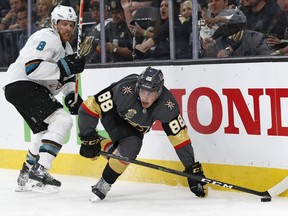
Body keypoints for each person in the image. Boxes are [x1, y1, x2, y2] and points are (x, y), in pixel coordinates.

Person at [77, 66, 208, 201]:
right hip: (113, 114)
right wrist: (87, 137)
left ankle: (104, 180)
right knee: (125, 151)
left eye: (151, 93)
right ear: (138, 87)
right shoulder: (123, 90)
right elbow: (88, 108)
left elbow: (180, 138)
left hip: (132, 129)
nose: (145, 97)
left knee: (132, 147)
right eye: (143, 91)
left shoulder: (167, 106)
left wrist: (191, 168)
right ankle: (103, 155)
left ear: (159, 92)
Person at [3, 5, 86, 193]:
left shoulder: (68, 47)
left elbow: (66, 79)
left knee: (43, 133)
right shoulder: (47, 37)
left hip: (20, 87)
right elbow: (32, 69)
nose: (68, 28)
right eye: (64, 24)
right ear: (54, 23)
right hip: (23, 84)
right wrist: (65, 67)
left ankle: (25, 175)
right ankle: (41, 170)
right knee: (62, 120)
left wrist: (72, 95)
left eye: (71, 25)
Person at [203, 8, 274, 58]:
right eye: (226, 27)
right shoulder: (217, 44)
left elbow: (270, 59)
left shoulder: (256, 39)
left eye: (237, 26)